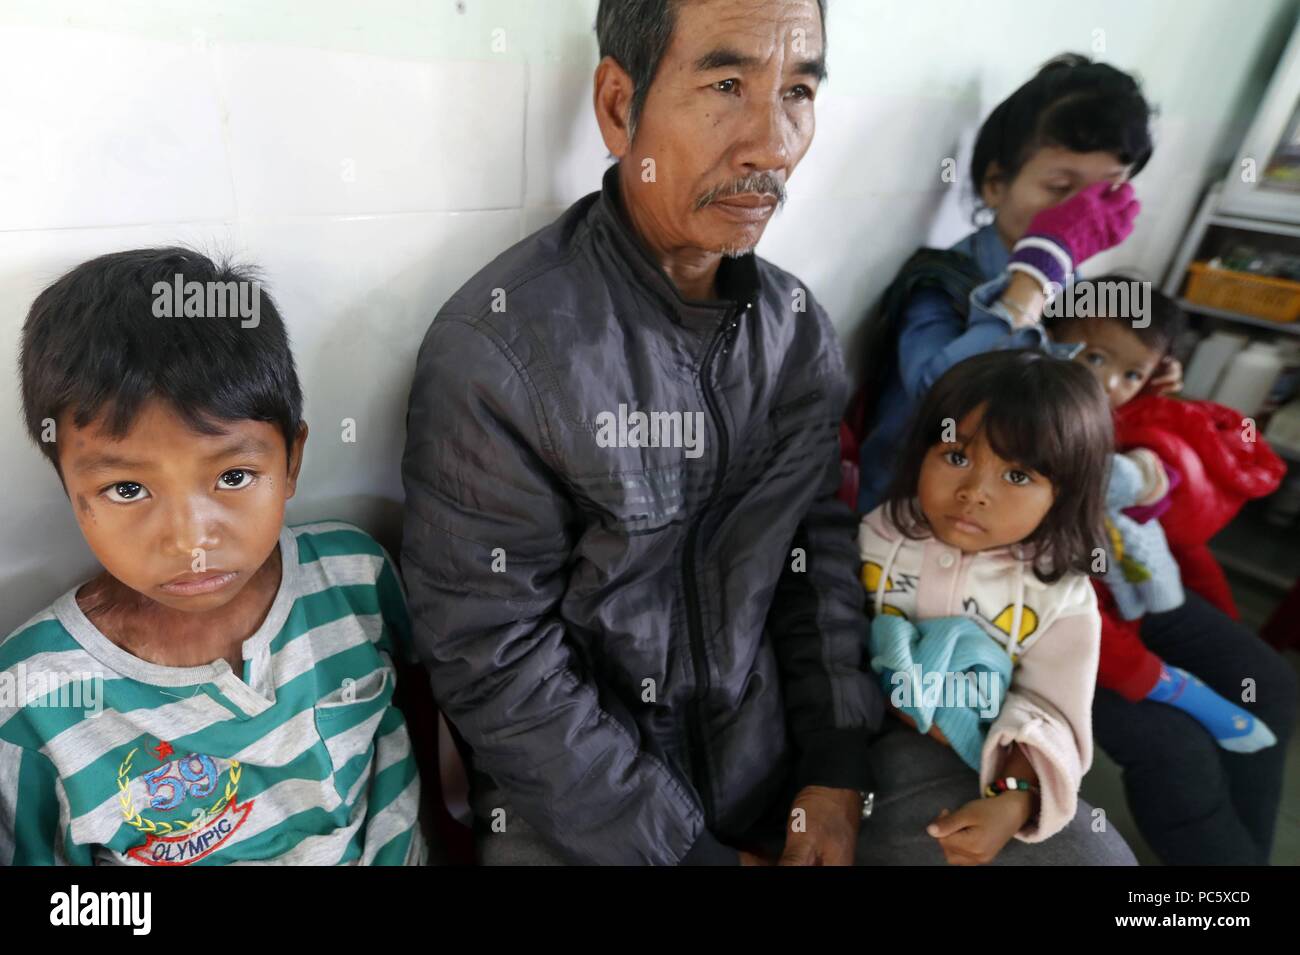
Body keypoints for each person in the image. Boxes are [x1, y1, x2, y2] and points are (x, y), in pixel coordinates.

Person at [1, 248, 424, 866]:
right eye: (127, 490)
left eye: (232, 476)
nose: (190, 539)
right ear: (69, 490)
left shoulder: (354, 577)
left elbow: (418, 716)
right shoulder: (34, 694)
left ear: (291, 464)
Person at [844, 54, 1174, 513]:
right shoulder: (941, 280)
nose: (1077, 217)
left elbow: (1094, 348)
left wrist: (1144, 366)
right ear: (996, 184)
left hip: (1009, 505)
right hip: (912, 513)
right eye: (1060, 190)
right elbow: (941, 396)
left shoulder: (1076, 281)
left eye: (1102, 196)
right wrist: (1032, 280)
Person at [1045, 281, 1297, 864]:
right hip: (1075, 630)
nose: (1108, 385)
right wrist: (1161, 679)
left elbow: (1191, 505)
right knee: (1178, 748)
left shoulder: (1126, 413)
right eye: (1095, 357)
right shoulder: (1033, 420)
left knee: (1270, 686)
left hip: (1141, 596)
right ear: (1047, 340)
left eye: (1131, 374)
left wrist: (1147, 396)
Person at [858, 349, 1134, 864]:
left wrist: (1011, 802)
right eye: (957, 457)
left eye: (1017, 476)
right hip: (852, 737)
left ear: (1064, 493)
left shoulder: (1061, 598)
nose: (973, 493)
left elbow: (1050, 714)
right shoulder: (877, 532)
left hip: (968, 762)